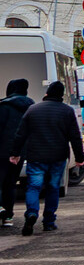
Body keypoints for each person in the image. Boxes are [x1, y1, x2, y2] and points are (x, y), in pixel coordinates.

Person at [9, 81, 84, 235]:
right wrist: (79, 157)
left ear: (47, 93)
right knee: (53, 188)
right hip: (58, 157)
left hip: (36, 156)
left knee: (33, 187)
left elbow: (20, 134)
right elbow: (75, 137)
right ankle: (49, 221)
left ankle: (31, 213)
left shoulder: (33, 109)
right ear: (61, 95)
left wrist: (15, 154)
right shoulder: (67, 111)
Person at [0, 79, 33, 226]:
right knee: (11, 184)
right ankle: (8, 217)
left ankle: (0, 208)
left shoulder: (4, 107)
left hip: (2, 152)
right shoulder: (31, 107)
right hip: (21, 153)